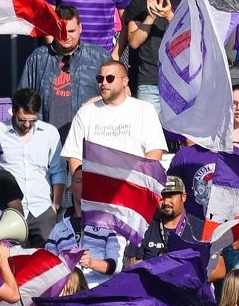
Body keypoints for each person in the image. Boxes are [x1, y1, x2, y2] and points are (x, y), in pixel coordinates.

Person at [60, 61, 167, 216]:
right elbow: (75, 157)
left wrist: (140, 190)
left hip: (132, 197)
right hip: (96, 200)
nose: (104, 83)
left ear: (125, 81)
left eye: (110, 78)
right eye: (100, 78)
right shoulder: (86, 113)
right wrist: (85, 191)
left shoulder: (144, 110)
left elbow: (154, 154)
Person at [17, 5, 111, 135]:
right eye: (61, 31)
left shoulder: (100, 57)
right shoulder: (38, 58)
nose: (66, 36)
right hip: (45, 139)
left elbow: (120, 95)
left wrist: (98, 99)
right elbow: (22, 99)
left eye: (71, 31)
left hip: (88, 138)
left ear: (80, 28)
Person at [0, 89, 65, 246]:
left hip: (43, 210)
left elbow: (58, 171)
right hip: (10, 210)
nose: (27, 125)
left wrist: (56, 206)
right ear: (12, 111)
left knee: (46, 260)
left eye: (32, 120)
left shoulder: (50, 133)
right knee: (13, 260)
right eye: (21, 120)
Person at [124, 0, 184, 110]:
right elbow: (134, 43)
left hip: (180, 79)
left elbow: (191, 39)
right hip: (149, 80)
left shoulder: (186, 0)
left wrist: (169, 16)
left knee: (179, 134)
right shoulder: (139, 2)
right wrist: (150, 17)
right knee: (148, 134)